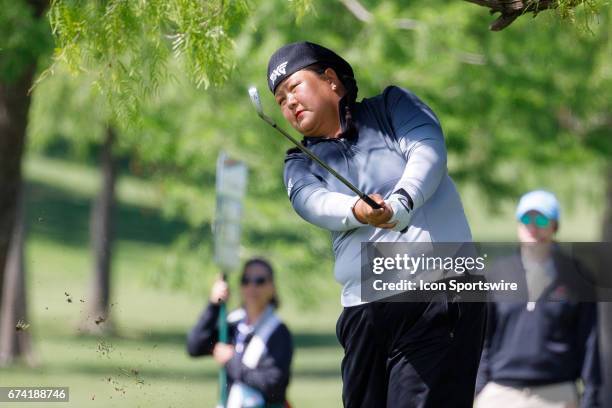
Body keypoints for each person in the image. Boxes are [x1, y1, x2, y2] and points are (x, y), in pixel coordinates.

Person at [267, 41, 486, 407]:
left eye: (294, 87)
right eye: (279, 100)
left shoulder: (392, 106)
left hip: (437, 293)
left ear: (332, 81)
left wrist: (402, 201)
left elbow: (428, 151)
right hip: (363, 310)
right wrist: (358, 210)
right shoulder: (298, 162)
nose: (288, 103)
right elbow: (311, 202)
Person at [475, 190, 601, 408]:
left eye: (541, 219)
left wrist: (591, 398)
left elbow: (589, 343)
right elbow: (481, 338)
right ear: (518, 224)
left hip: (557, 394)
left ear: (555, 226)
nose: (533, 226)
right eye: (526, 219)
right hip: (500, 392)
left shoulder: (577, 276)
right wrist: (479, 388)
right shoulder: (498, 274)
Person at [187, 258, 293, 408]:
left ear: (272, 287)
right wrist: (213, 305)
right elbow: (195, 346)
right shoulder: (233, 325)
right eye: (246, 280)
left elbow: (273, 385)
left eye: (260, 281)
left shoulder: (279, 332)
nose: (252, 286)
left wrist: (232, 361)